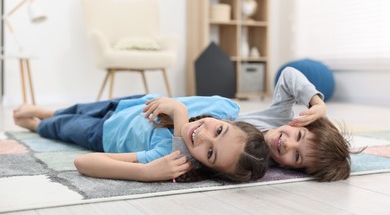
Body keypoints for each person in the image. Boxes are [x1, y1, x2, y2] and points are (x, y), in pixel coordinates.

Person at [13, 94, 270, 183]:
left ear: (207, 167)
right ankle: (47, 111)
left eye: (210, 153)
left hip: (103, 133)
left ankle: (38, 126)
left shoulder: (172, 158)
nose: (202, 135)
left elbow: (83, 162)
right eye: (219, 130)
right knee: (79, 107)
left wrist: (145, 173)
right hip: (132, 103)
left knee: (61, 127)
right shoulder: (225, 108)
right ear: (229, 122)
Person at [237, 67, 353, 182]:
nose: (288, 144)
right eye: (298, 136)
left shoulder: (257, 163)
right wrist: (317, 103)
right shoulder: (279, 116)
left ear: (289, 168)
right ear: (302, 124)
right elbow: (288, 75)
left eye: (297, 155)